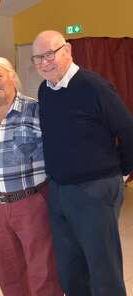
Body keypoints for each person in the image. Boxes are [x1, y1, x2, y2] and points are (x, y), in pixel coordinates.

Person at [32, 30, 133, 296]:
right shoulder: (45, 90)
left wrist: (119, 174)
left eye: (49, 55)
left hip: (95, 190)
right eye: (37, 58)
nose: (43, 62)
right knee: (70, 270)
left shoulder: (93, 86)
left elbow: (128, 131)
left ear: (67, 50)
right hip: (59, 191)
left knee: (103, 271)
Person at [0, 57, 63, 296]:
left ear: (13, 77)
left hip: (31, 202)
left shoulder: (35, 109)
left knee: (42, 268)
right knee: (7, 270)